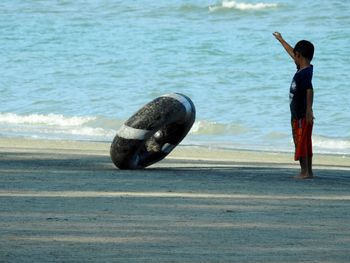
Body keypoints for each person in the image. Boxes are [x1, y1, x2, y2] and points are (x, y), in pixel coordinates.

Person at [273, 32, 315, 179]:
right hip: (301, 114)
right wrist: (281, 40)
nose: (293, 58)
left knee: (300, 143)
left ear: (299, 56)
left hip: (301, 115)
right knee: (305, 142)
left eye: (294, 56)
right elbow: (292, 53)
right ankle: (308, 171)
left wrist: (309, 110)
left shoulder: (304, 74)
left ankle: (304, 172)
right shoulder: (304, 68)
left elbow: (309, 89)